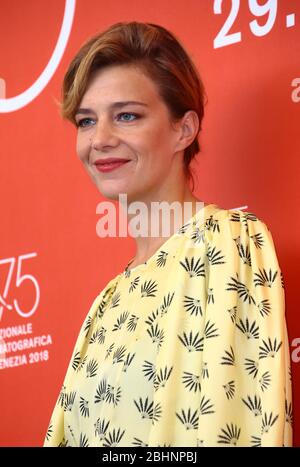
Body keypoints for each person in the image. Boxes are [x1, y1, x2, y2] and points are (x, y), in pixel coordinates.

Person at [43, 21, 293, 447]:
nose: (99, 139)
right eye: (86, 121)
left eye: (126, 115)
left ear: (184, 129)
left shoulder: (229, 244)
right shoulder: (106, 303)